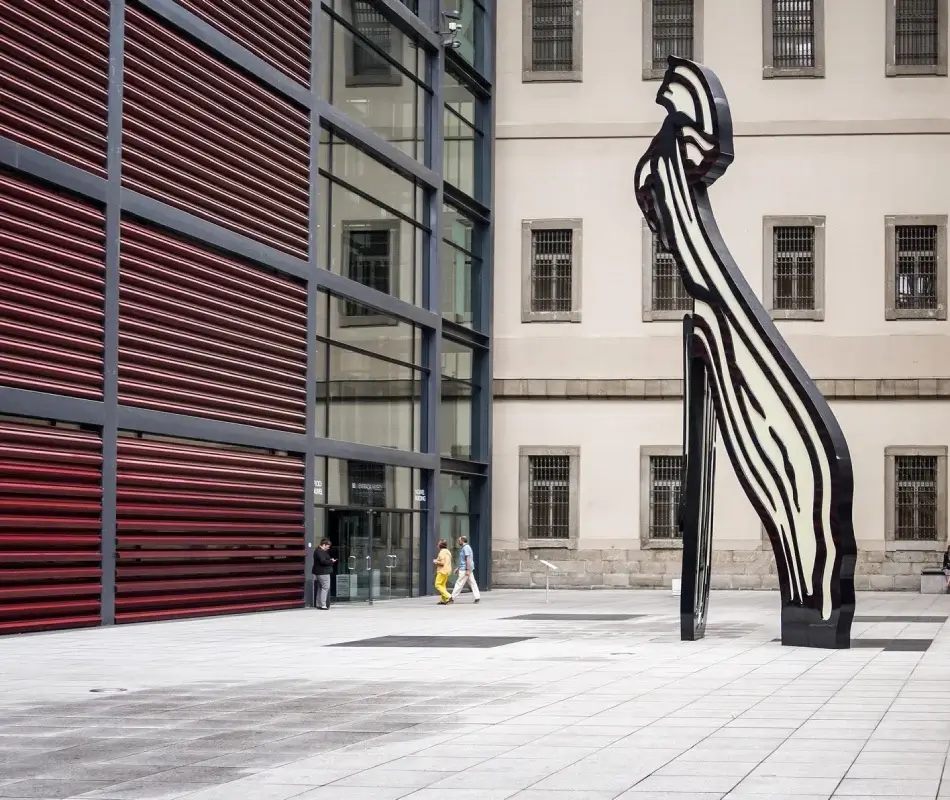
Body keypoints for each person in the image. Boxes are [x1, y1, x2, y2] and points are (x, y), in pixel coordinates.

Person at [451, 535, 480, 603]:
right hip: (468, 568)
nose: (458, 542)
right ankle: (477, 597)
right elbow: (463, 560)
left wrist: (467, 569)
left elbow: (467, 558)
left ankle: (452, 597)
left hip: (465, 569)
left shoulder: (465, 548)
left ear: (462, 540)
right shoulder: (466, 547)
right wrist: (458, 568)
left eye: (459, 540)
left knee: (459, 583)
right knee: (473, 583)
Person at [312, 538, 336, 610]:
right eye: (328, 546)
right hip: (323, 572)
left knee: (320, 588)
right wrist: (331, 561)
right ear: (324, 545)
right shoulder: (320, 551)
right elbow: (323, 561)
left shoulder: (317, 551)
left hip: (319, 572)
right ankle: (323, 605)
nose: (328, 548)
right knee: (325, 587)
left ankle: (319, 604)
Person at [433, 539, 453, 605]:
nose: (437, 545)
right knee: (443, 585)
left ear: (440, 545)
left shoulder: (442, 552)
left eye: (438, 544)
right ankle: (443, 600)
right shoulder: (448, 551)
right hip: (447, 570)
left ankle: (448, 596)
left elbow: (442, 563)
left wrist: (436, 561)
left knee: (437, 584)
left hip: (442, 571)